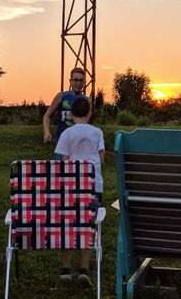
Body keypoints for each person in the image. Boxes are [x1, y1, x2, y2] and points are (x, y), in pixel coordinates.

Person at [53, 96, 105, 287]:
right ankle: (84, 268)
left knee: (68, 226)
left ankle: (66, 270)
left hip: (71, 187)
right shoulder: (97, 132)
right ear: (90, 113)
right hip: (93, 188)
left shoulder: (67, 133)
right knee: (89, 226)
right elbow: (102, 159)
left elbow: (64, 161)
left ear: (71, 115)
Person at [42, 67, 90, 146]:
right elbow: (47, 116)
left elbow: (88, 123)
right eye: (76, 80)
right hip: (62, 143)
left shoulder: (87, 100)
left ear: (84, 82)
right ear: (70, 81)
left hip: (80, 144)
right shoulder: (61, 96)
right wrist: (47, 132)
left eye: (81, 80)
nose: (78, 83)